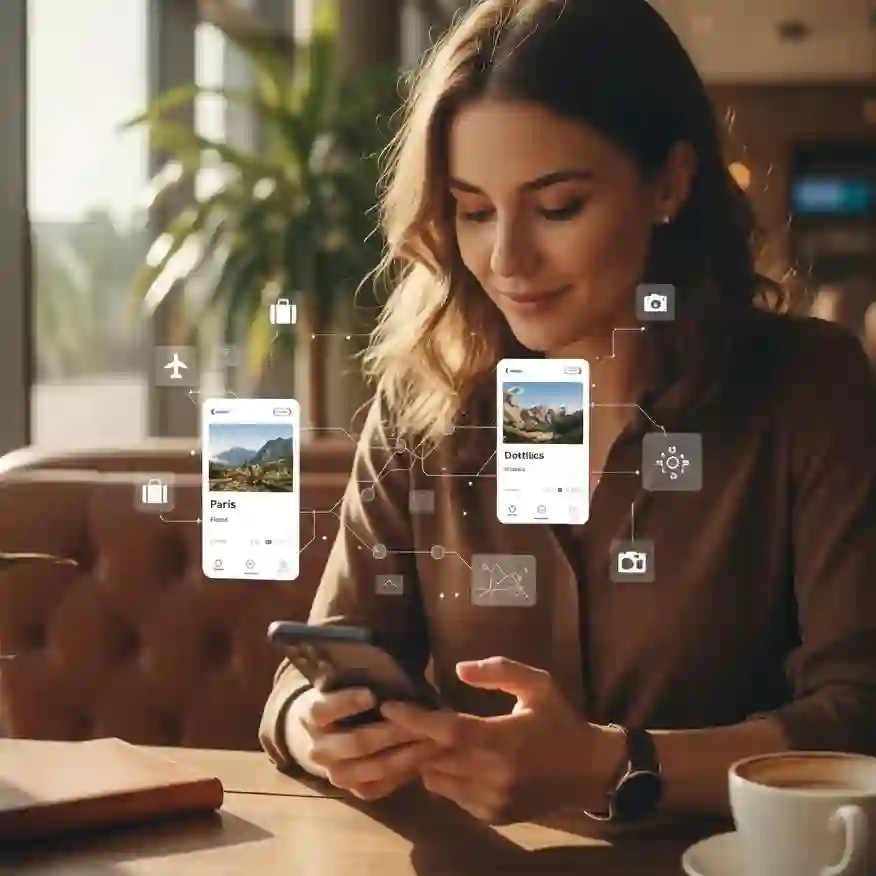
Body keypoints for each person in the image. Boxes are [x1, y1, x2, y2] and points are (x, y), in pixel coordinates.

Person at [260, 0, 876, 827]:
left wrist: (617, 765)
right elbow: (316, 667)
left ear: (669, 182)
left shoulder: (808, 387)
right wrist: (314, 729)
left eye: (557, 208)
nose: (506, 261)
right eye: (473, 211)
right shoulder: (429, 401)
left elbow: (860, 717)